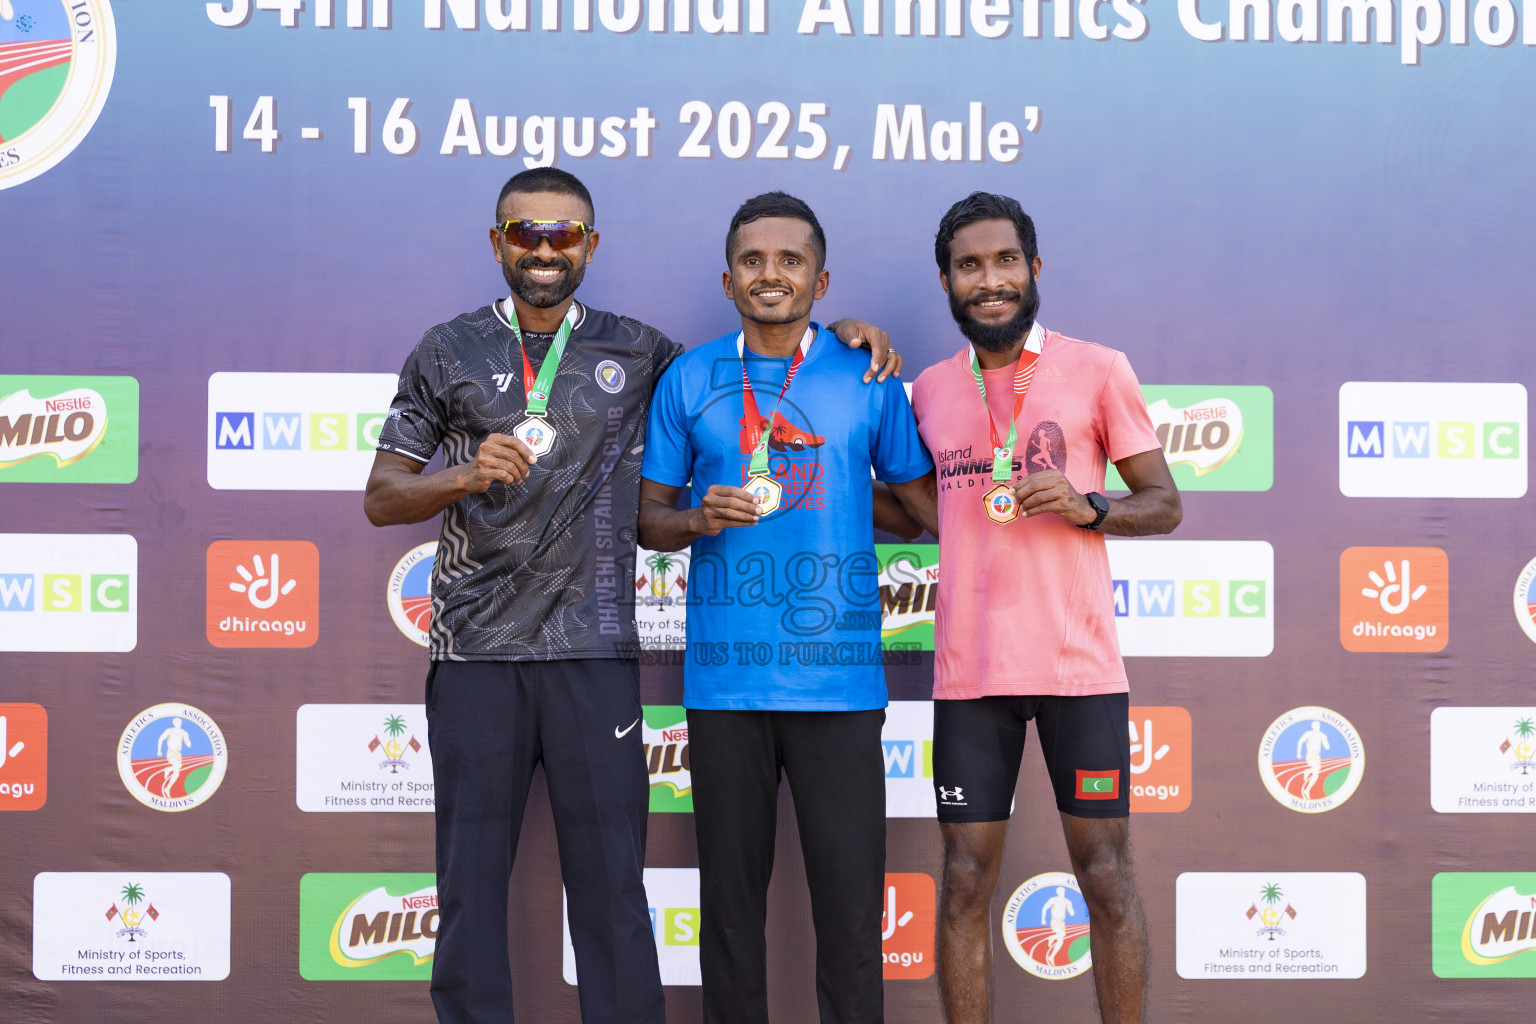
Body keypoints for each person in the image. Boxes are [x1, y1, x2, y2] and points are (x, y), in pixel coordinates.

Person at [362, 169, 901, 1024]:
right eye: (525, 233)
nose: (544, 250)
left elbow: (770, 347)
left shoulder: (644, 353)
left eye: (562, 235)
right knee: (466, 889)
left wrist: (839, 334)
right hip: (475, 653)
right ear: (497, 242)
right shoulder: (446, 349)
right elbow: (382, 496)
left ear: (590, 246)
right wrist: (464, 473)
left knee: (613, 894)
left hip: (595, 652)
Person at [637, 192, 934, 1024]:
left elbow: (922, 511)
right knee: (730, 916)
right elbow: (646, 519)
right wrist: (697, 517)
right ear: (728, 280)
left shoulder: (868, 374)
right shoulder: (689, 377)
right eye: (753, 261)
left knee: (848, 917)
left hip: (839, 686)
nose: (771, 275)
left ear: (821, 278)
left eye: (790, 260)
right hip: (725, 687)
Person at [898, 192, 1182, 1024]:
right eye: (970, 266)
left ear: (1034, 268)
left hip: (1079, 672)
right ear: (947, 281)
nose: (990, 281)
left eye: (1005, 261)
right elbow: (926, 507)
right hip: (969, 678)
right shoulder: (927, 390)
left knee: (1104, 873)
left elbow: (1163, 504)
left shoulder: (1099, 369)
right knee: (962, 883)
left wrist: (1089, 505)